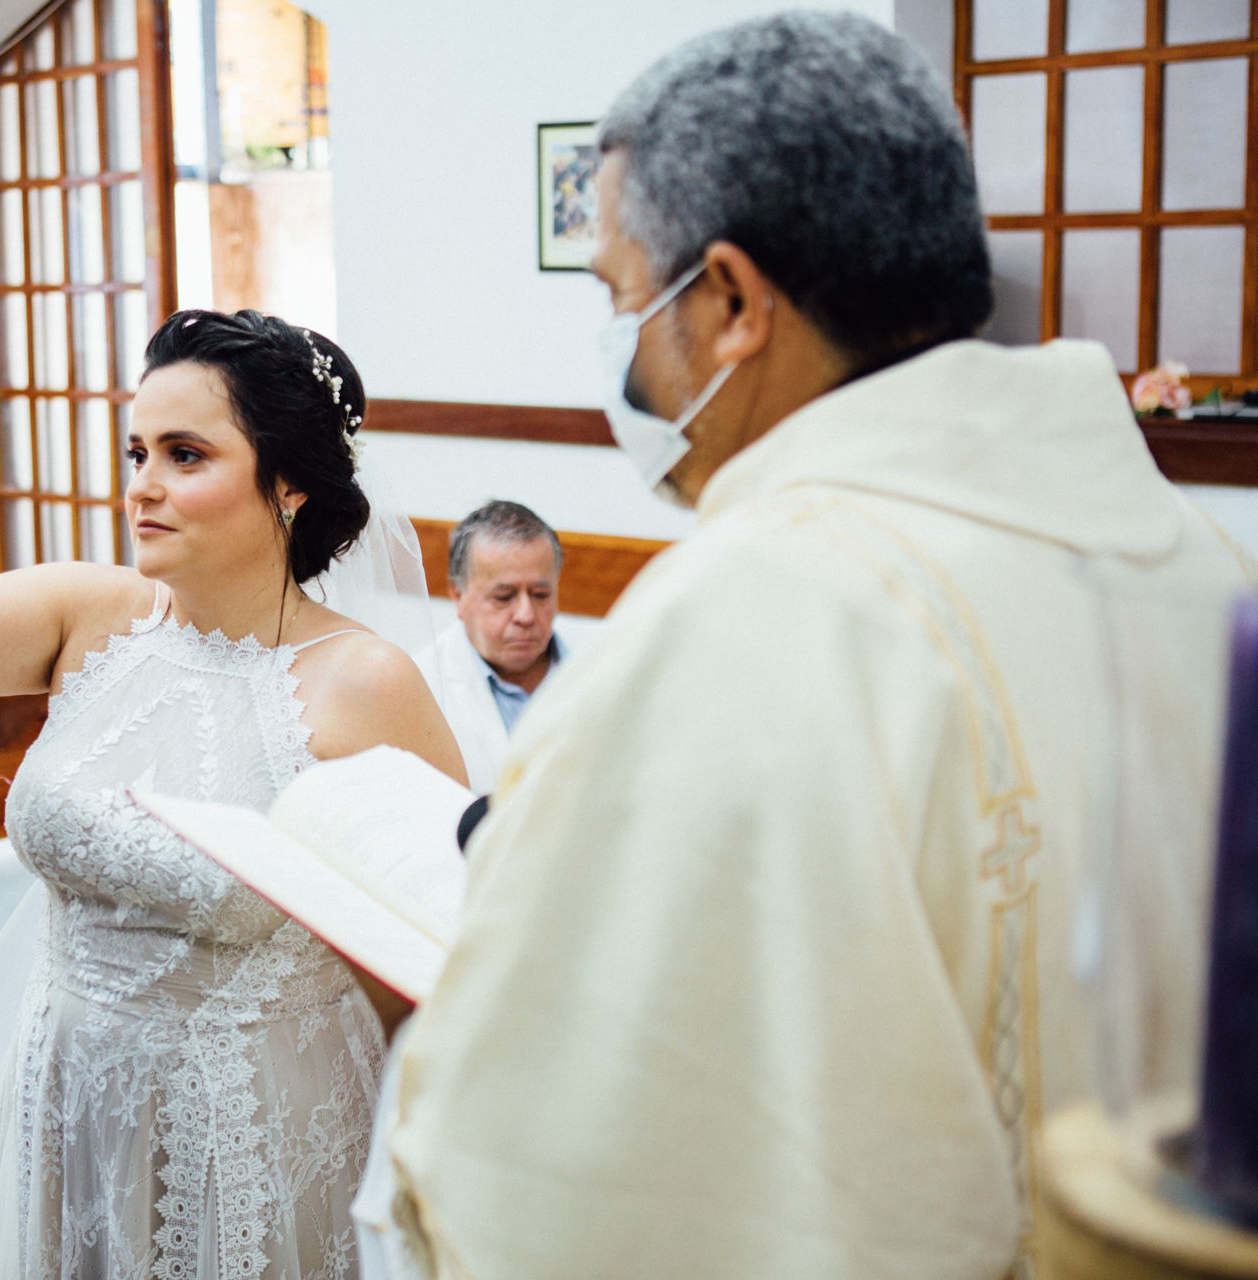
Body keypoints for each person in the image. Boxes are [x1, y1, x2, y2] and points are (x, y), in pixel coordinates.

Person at [366, 13, 1255, 1279]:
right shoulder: (1204, 563)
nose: (625, 365)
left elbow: (560, 1170)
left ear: (729, 301)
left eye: (625, 299)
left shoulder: (741, 620)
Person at [0, 307, 465, 1277]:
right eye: (137, 451)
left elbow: (448, 955)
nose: (143, 485)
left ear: (292, 480)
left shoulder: (365, 682)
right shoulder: (93, 614)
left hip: (251, 1138)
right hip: (68, 1106)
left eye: (186, 454)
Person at [414, 500, 563, 792]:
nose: (526, 615)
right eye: (504, 597)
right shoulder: (420, 684)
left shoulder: (604, 664)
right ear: (458, 596)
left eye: (541, 594)